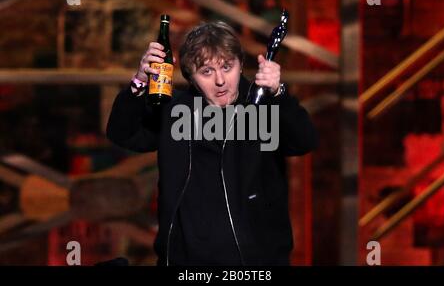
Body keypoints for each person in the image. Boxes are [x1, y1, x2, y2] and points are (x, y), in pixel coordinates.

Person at [106, 21, 318, 266]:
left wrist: (279, 94)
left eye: (227, 67)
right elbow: (122, 134)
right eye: (206, 72)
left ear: (240, 65)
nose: (220, 80)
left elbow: (304, 141)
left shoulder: (262, 109)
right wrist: (139, 82)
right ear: (191, 77)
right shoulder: (174, 113)